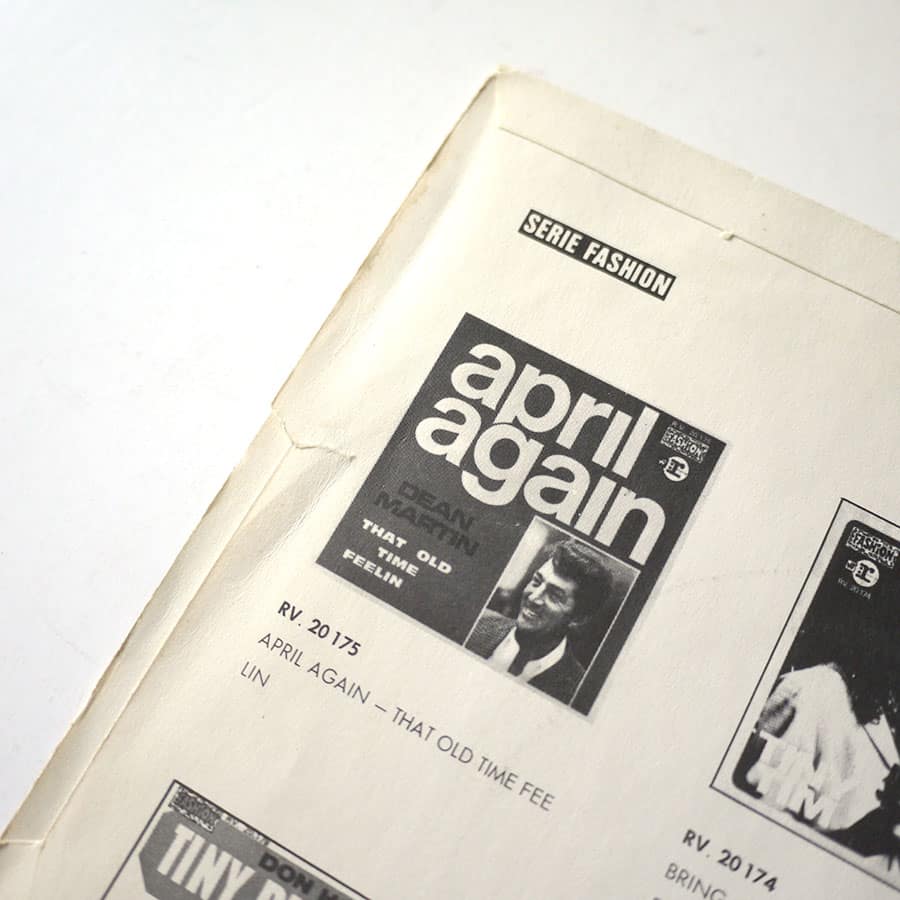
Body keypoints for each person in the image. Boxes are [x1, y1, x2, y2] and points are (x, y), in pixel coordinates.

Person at [465, 539, 614, 704]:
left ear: (578, 618)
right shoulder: (475, 622)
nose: (533, 598)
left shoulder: (578, 695)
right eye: (536, 582)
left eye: (555, 595)